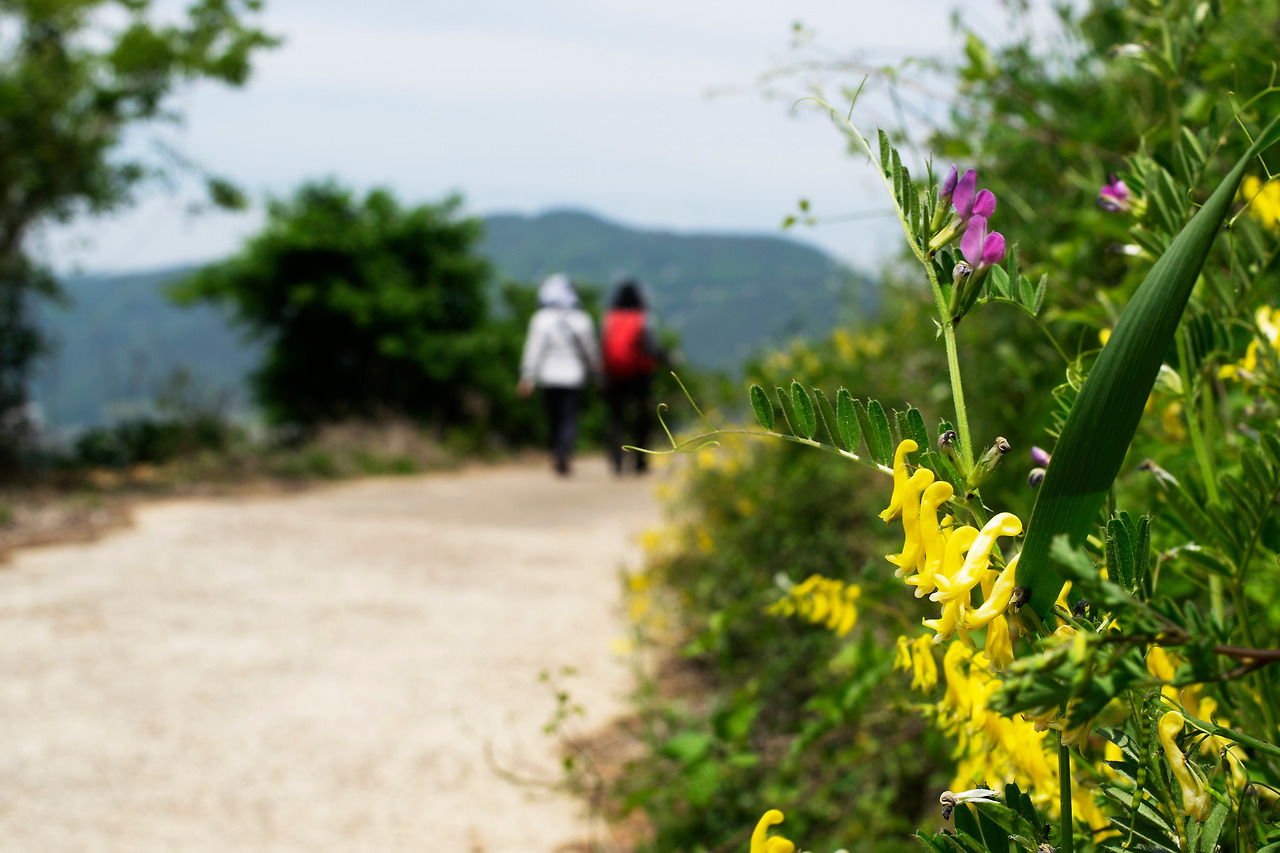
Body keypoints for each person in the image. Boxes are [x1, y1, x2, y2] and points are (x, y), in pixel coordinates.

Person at [518, 273, 601, 476]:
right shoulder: (581, 319)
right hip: (573, 378)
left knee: (553, 418)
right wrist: (598, 375)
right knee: (568, 418)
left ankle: (557, 453)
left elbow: (533, 350)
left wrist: (527, 377)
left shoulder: (540, 319)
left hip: (548, 377)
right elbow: (592, 352)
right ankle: (565, 454)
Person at [600, 278, 661, 475]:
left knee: (616, 418)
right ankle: (640, 461)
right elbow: (652, 347)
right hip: (639, 374)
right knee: (642, 417)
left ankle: (616, 461)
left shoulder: (609, 318)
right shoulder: (643, 317)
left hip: (614, 374)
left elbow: (602, 345)